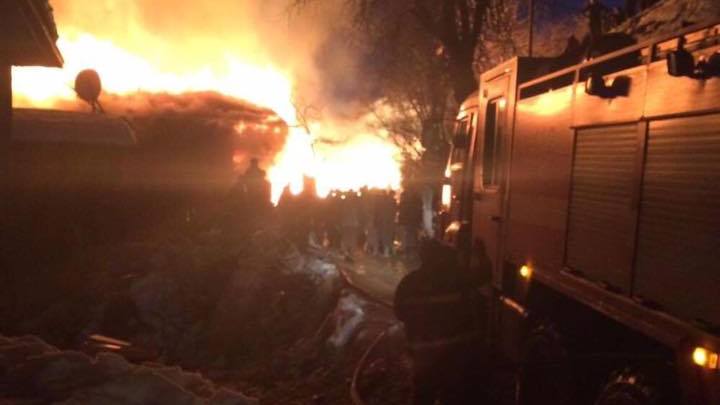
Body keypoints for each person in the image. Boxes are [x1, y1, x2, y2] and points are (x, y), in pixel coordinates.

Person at [394, 239, 488, 405]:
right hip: (454, 352)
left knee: (423, 394)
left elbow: (400, 313)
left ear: (422, 257)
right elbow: (484, 276)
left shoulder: (409, 283)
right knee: (452, 394)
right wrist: (481, 254)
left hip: (423, 353)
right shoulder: (457, 279)